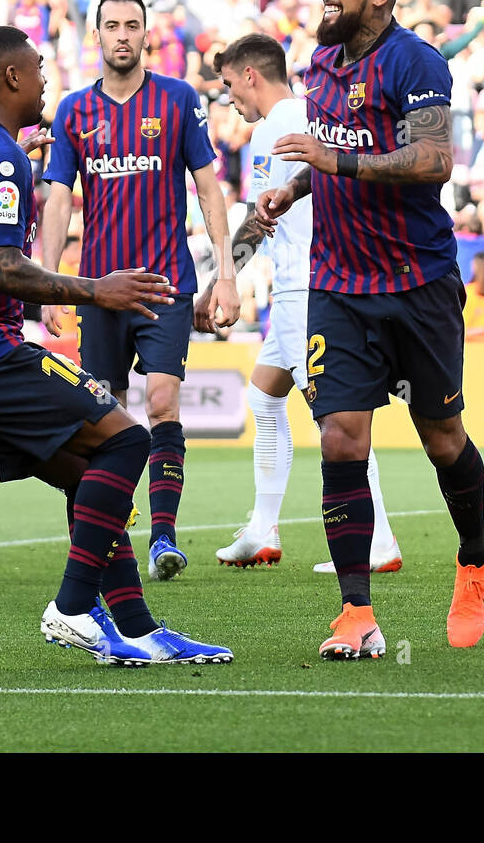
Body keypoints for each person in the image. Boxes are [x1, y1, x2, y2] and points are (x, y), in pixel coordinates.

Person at [0, 25, 231, 665]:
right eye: (37, 66)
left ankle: (134, 625)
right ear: (11, 78)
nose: (46, 76)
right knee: (130, 439)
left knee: (87, 472)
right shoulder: (1, 157)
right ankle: (72, 607)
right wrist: (95, 290)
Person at [256, 0, 484, 659]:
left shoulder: (416, 62)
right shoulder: (320, 64)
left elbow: (432, 160)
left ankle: (474, 559)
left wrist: (331, 159)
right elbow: (330, 155)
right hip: (338, 284)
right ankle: (356, 613)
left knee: (441, 436)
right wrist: (297, 187)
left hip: (418, 281)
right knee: (340, 436)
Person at [41, 0, 240, 582]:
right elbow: (56, 200)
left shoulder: (178, 100)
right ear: (96, 36)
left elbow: (209, 189)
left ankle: (163, 536)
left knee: (160, 399)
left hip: (165, 286)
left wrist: (225, 273)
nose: (122, 35)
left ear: (146, 35)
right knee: (100, 412)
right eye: (111, 26)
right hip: (100, 291)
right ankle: (103, 533)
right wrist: (53, 285)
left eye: (132, 25)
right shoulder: (75, 110)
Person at [198, 33, 402, 572]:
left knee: (336, 417)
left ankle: (377, 539)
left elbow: (261, 220)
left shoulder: (271, 130)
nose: (230, 100)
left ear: (250, 76)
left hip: (302, 291)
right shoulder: (313, 115)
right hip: (315, 281)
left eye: (229, 85)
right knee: (265, 398)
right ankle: (262, 528)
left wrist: (222, 278)